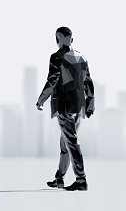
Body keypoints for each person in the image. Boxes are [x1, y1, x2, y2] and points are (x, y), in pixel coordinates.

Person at [36, 26, 95, 191]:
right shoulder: (82, 57)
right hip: (79, 107)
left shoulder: (56, 57)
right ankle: (59, 178)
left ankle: (81, 180)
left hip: (64, 106)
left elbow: (52, 80)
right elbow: (88, 81)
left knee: (71, 142)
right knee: (65, 143)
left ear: (58, 39)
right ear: (72, 39)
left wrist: (41, 99)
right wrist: (90, 103)